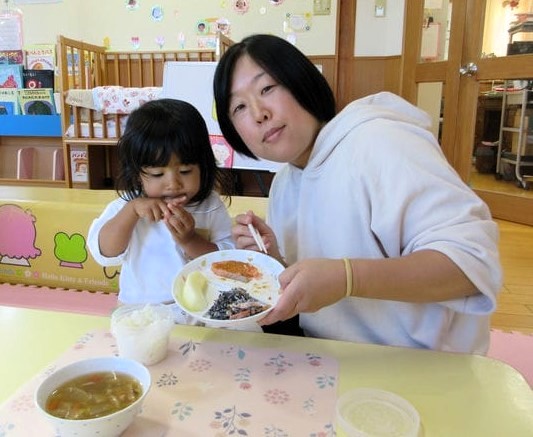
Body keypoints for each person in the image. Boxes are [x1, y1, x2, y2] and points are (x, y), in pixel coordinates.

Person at [213, 34, 502, 354]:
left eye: (267, 88)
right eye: (239, 106)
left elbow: (472, 266)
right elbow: (312, 293)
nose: (258, 113)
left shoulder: (378, 140)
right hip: (335, 362)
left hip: (423, 367)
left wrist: (347, 277)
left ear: (301, 81)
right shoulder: (284, 183)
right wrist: (273, 259)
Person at [87, 98, 234, 305]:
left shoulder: (210, 206)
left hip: (201, 310)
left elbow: (226, 260)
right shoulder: (127, 206)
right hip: (141, 311)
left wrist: (190, 240)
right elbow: (104, 252)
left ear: (204, 165)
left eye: (185, 171)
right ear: (137, 174)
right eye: (157, 174)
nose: (173, 184)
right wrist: (131, 212)